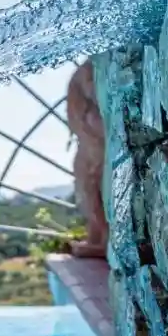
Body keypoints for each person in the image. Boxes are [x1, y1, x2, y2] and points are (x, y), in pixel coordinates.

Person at [65, 59, 108, 258]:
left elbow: (95, 92)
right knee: (88, 184)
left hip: (94, 135)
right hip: (89, 135)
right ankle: (96, 237)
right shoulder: (88, 68)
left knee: (92, 184)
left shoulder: (90, 69)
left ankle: (105, 239)